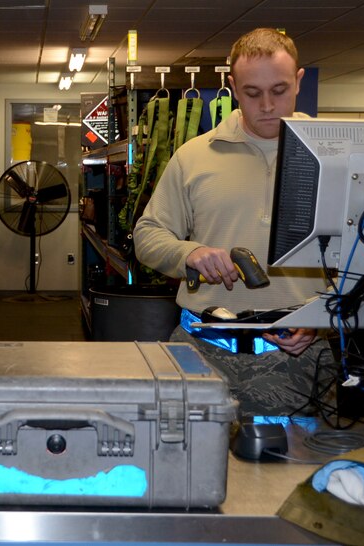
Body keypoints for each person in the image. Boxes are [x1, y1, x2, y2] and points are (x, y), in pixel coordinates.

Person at [133, 28, 334, 417]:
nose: (268, 105)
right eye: (252, 93)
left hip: (299, 360)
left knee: (301, 473)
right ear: (232, 88)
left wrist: (321, 321)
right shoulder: (194, 157)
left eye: (279, 90)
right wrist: (189, 254)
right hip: (203, 355)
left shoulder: (335, 158)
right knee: (189, 471)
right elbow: (147, 235)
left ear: (299, 80)